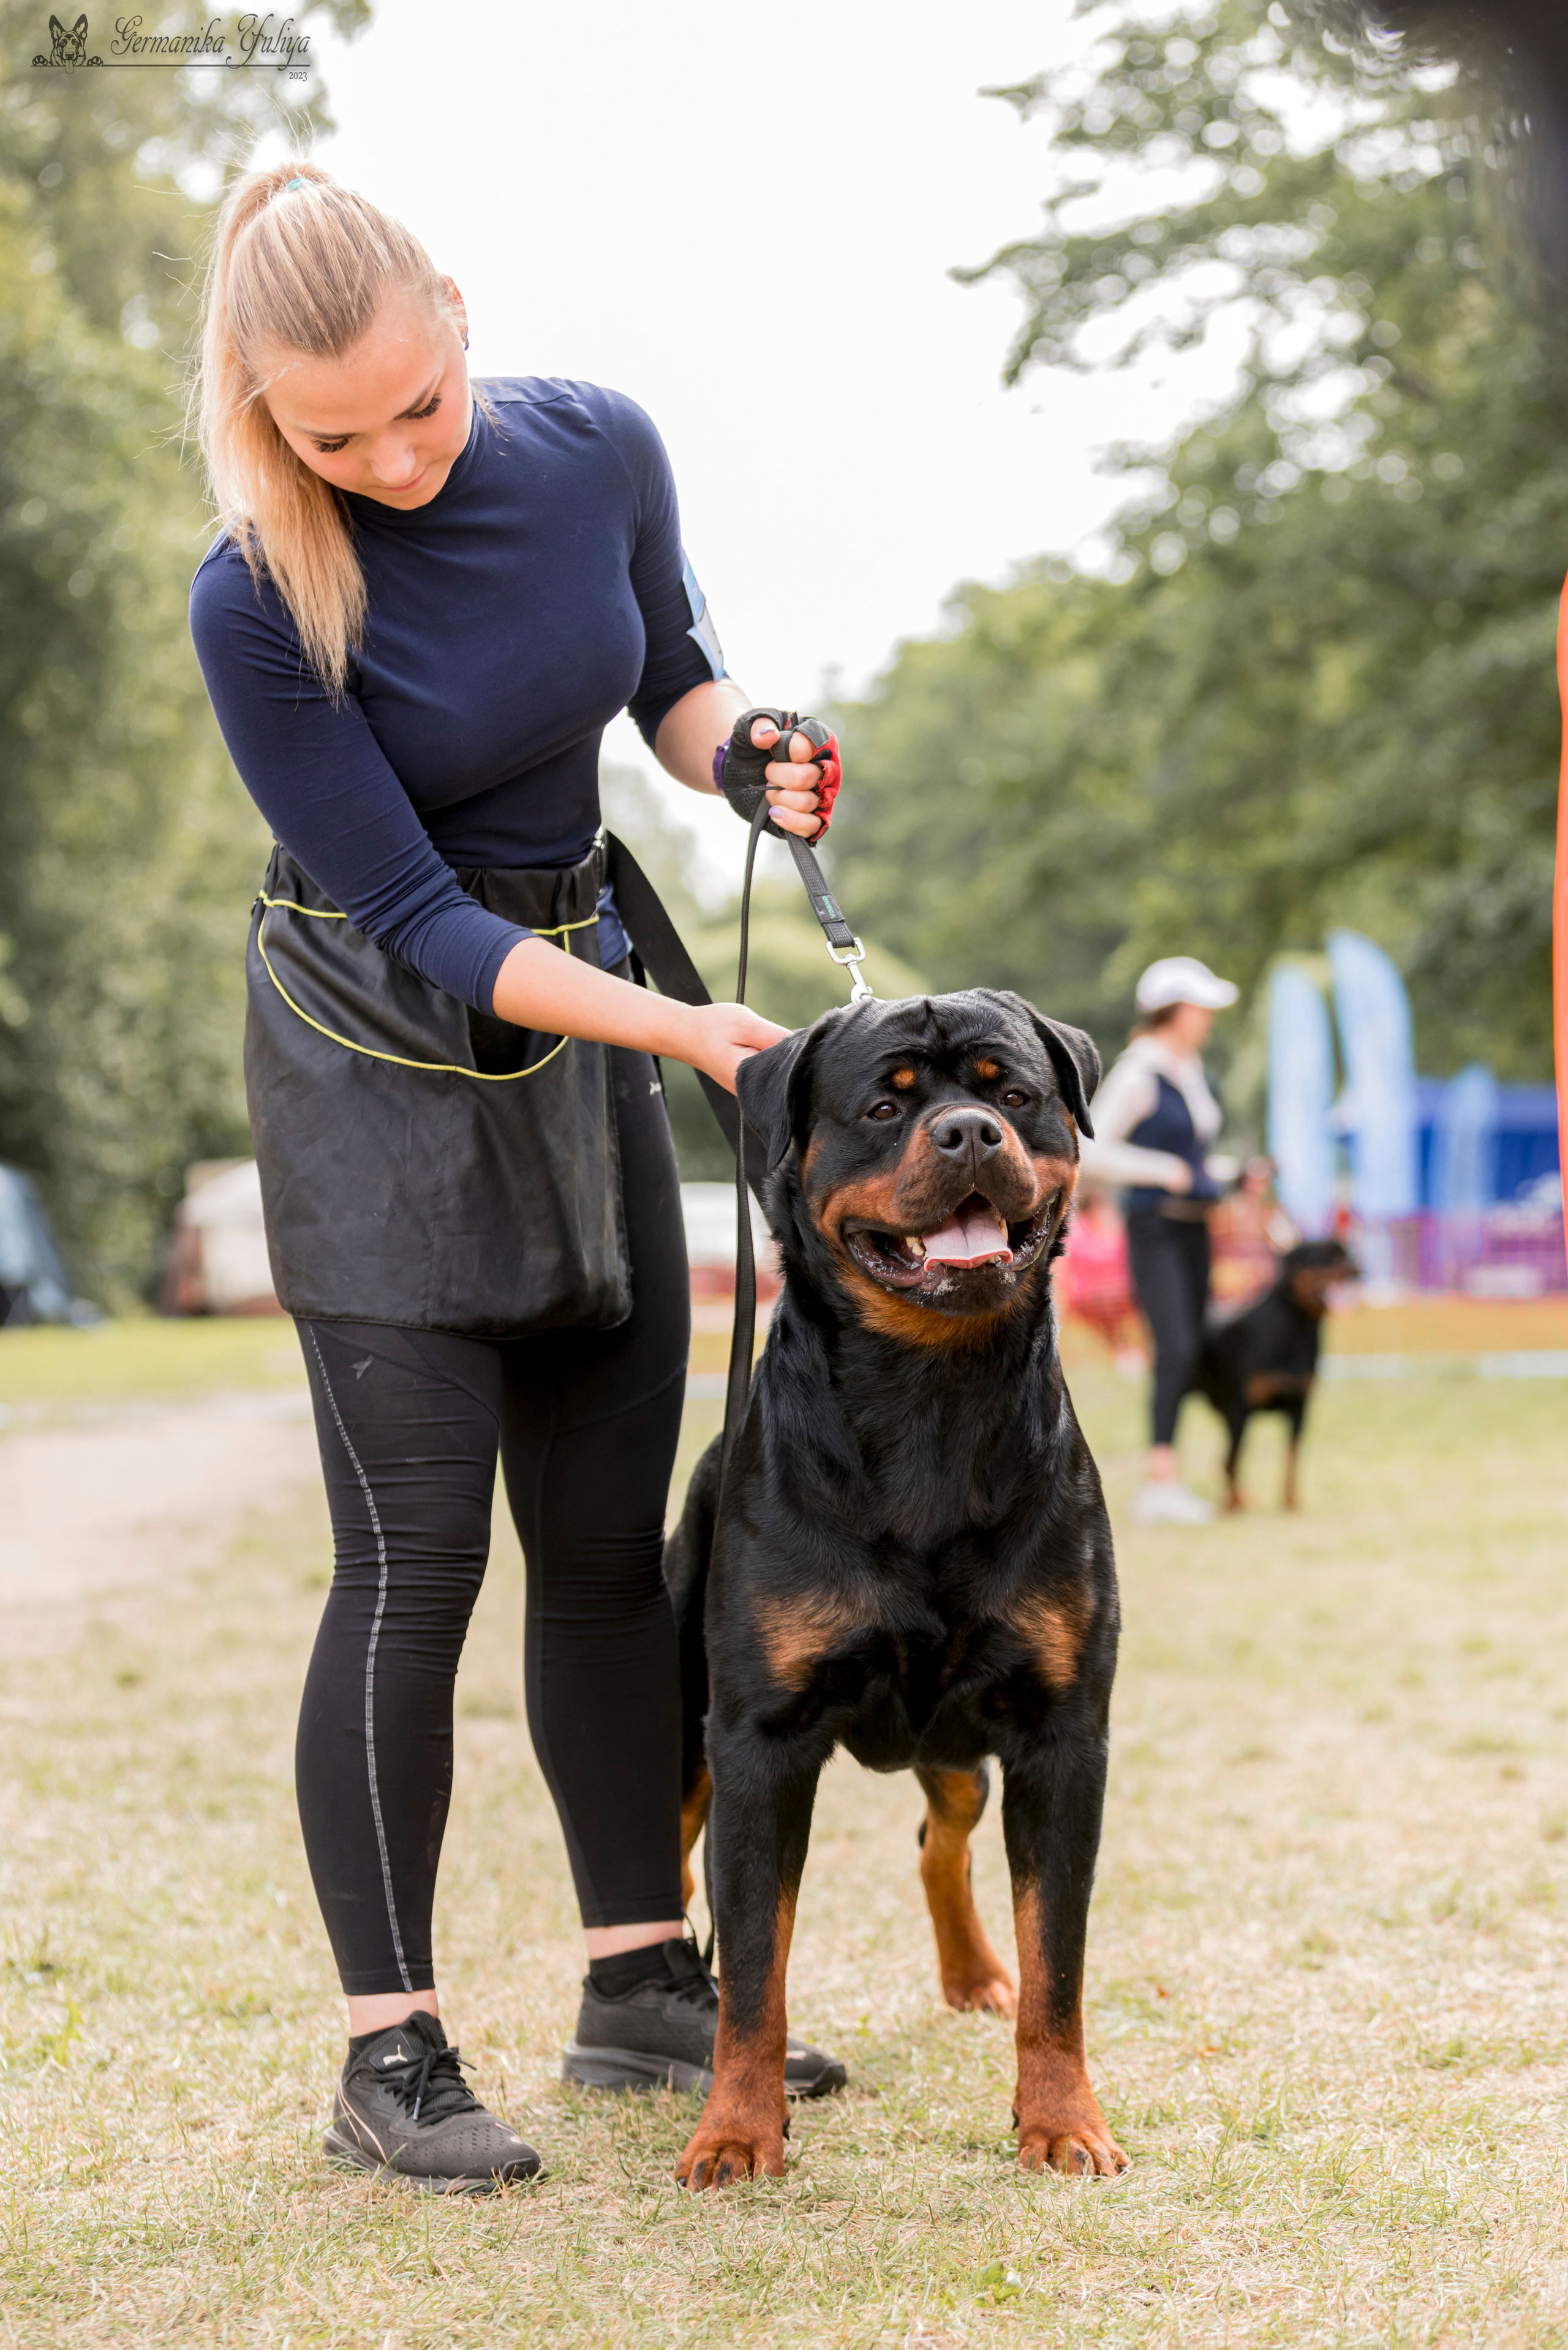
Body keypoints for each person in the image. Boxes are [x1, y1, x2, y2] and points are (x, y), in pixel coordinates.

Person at [187, 160, 846, 2192]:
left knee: (605, 1544)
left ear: (459, 316)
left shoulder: (596, 446)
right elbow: (418, 914)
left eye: (417, 406)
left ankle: (639, 1983)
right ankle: (389, 2050)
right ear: (266, 415)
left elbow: (672, 674)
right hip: (382, 1047)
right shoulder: (252, 591)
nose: (388, 456)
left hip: (581, 1020)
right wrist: (697, 1035)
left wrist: (757, 751)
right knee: (415, 1566)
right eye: (334, 434)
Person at [1078, 956, 1238, 1528]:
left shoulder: (1192, 1069)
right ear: (1177, 1010)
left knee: (1194, 1346)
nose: (1210, 1018)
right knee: (1172, 1347)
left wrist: (1230, 1172)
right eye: (1202, 1007)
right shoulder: (1141, 1071)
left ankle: (1185, 1471)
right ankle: (1159, 1482)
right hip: (1156, 1228)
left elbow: (1193, 1157)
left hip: (1196, 1225)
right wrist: (1164, 1170)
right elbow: (1091, 1145)